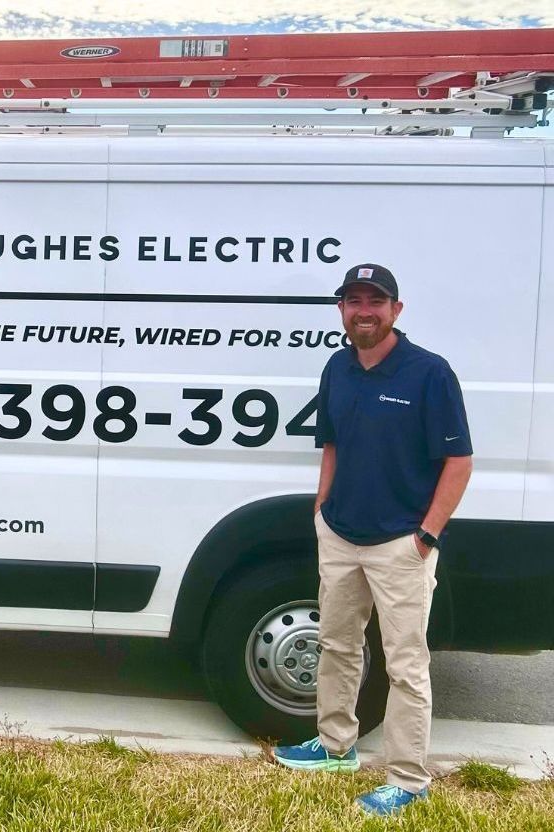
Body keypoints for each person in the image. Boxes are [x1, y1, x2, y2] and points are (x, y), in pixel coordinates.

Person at [272, 263, 473, 816]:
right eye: (353, 300)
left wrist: (426, 535)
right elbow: (331, 444)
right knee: (337, 644)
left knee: (405, 665)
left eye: (375, 301)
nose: (364, 310)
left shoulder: (430, 373)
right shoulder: (338, 367)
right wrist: (322, 509)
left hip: (399, 544)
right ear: (341, 310)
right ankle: (336, 745)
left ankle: (408, 779)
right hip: (339, 535)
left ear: (395, 311)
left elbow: (459, 461)